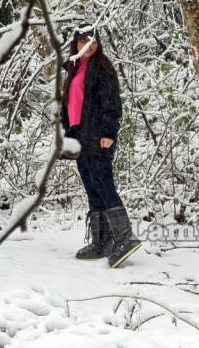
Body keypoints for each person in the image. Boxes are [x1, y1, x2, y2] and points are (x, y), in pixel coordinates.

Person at [60, 25, 141, 268]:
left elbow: (111, 102)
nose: (89, 45)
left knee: (103, 184)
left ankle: (124, 237)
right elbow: (70, 105)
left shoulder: (102, 68)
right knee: (92, 186)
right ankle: (102, 241)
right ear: (75, 43)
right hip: (78, 135)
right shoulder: (74, 69)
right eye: (84, 40)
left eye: (93, 41)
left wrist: (108, 132)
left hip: (97, 135)